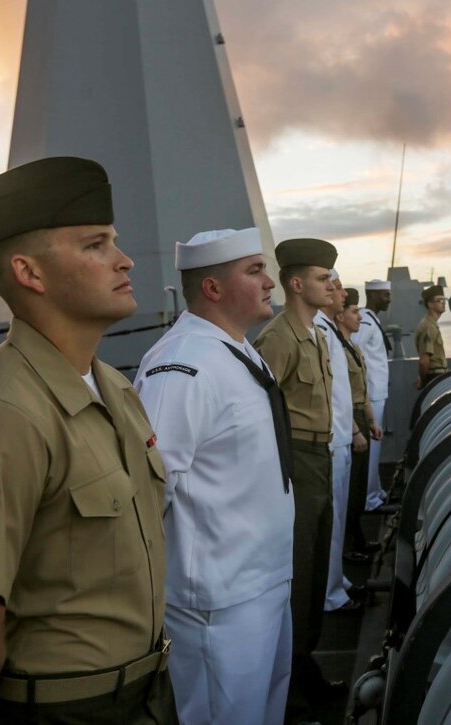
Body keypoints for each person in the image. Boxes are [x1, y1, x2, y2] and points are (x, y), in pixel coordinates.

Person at [0, 157, 175, 723]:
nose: (123, 260)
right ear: (30, 274)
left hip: (145, 697)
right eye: (95, 244)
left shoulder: (115, 390)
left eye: (114, 242)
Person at [134, 228, 294, 725]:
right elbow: (151, 485)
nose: (271, 282)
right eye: (254, 271)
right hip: (218, 603)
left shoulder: (237, 349)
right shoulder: (183, 365)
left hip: (263, 580)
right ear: (213, 288)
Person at [252, 238, 339, 725]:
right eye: (323, 279)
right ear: (296, 283)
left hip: (320, 458)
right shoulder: (280, 338)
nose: (331, 286)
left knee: (316, 571)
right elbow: (265, 413)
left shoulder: (317, 334)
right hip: (298, 462)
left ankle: (306, 669)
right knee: (297, 576)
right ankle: (288, 696)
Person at [314, 272, 361, 615]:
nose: (341, 293)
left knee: (338, 520)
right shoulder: (317, 330)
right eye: (335, 286)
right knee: (329, 524)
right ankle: (330, 596)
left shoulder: (328, 329)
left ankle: (336, 581)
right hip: (331, 440)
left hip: (341, 436)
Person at [337, 288, 382, 560]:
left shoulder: (353, 347)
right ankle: (351, 546)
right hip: (350, 418)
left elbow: (361, 390)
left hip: (361, 416)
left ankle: (358, 539)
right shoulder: (338, 349)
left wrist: (372, 420)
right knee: (351, 490)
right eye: (354, 312)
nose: (359, 317)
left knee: (358, 484)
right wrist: (355, 430)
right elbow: (341, 394)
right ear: (340, 316)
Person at [353, 280, 392, 510]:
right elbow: (355, 347)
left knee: (376, 448)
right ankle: (368, 500)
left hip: (378, 391)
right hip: (372, 393)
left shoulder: (371, 319)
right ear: (373, 295)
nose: (389, 299)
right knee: (372, 448)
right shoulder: (366, 320)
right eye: (385, 295)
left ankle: (375, 491)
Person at [414, 284, 448, 389]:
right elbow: (424, 361)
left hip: (437, 375)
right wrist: (423, 381)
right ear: (430, 304)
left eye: (444, 300)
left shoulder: (431, 324)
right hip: (434, 377)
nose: (443, 303)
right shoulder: (428, 327)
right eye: (439, 300)